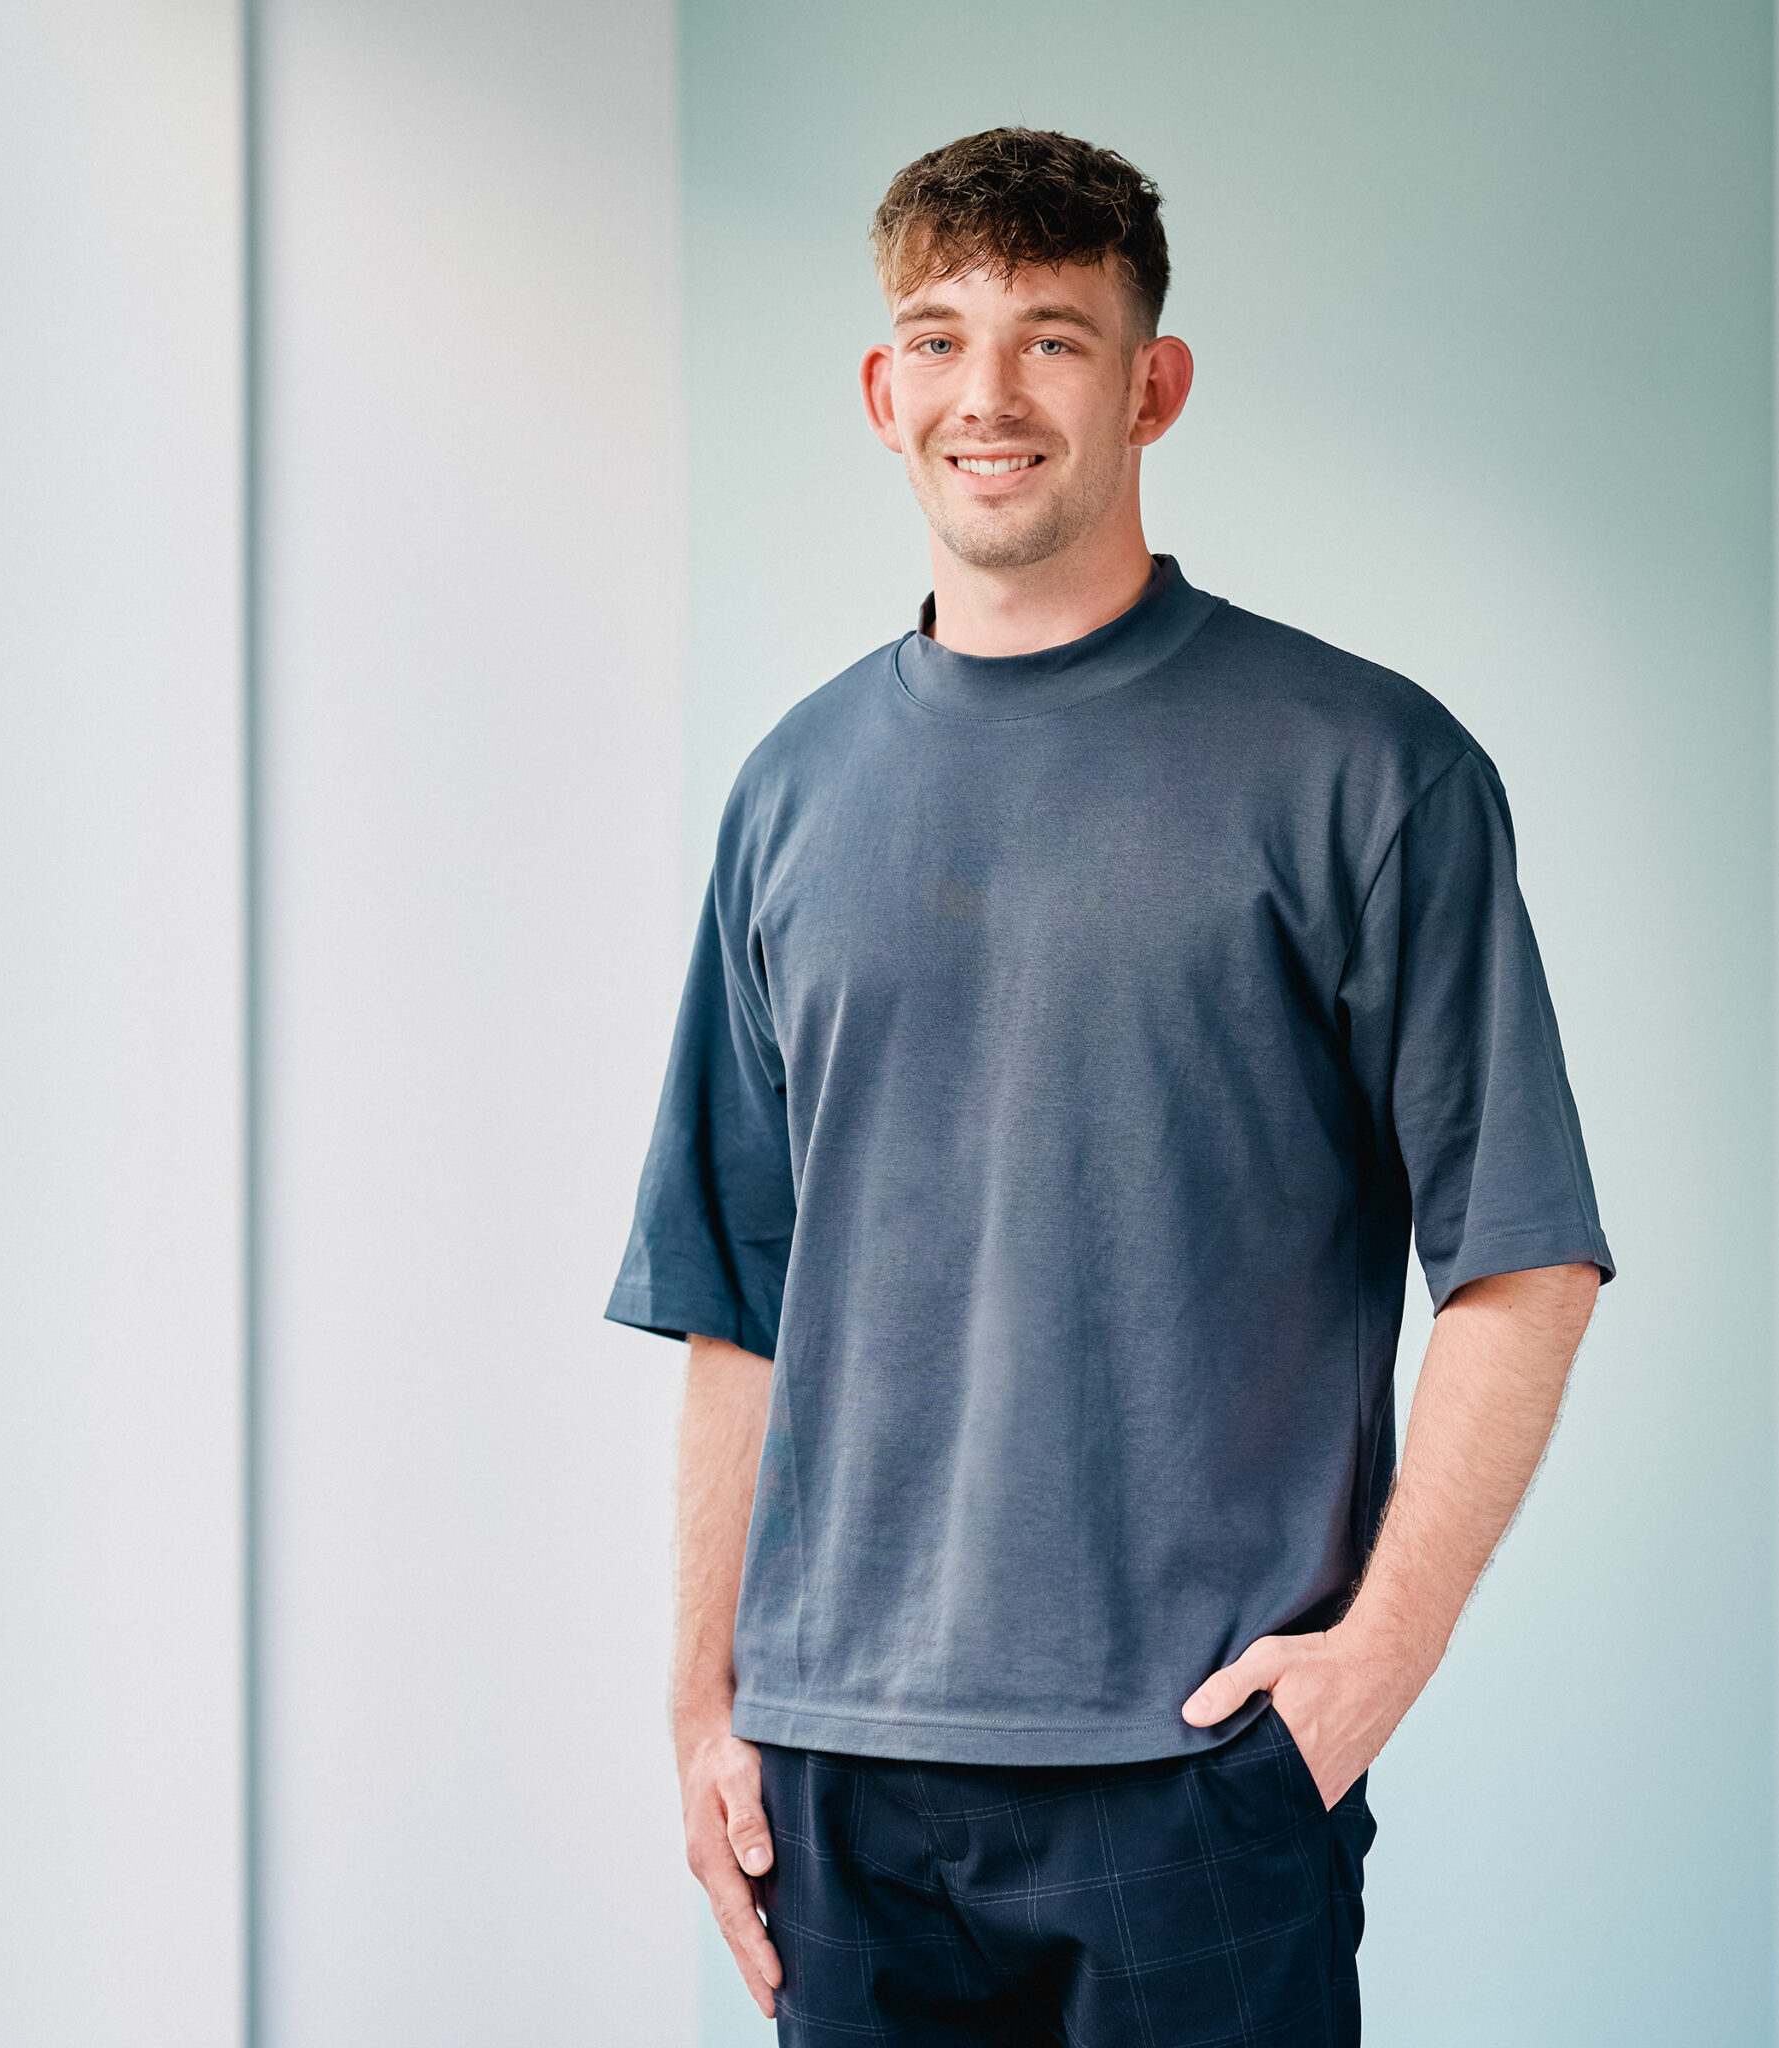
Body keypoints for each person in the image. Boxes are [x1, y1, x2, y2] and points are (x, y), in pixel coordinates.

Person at [610, 126, 1612, 2047]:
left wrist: (1370, 1667)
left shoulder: (1369, 771)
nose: (988, 393)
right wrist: (700, 1701)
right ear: (881, 389)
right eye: (943, 335)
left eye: (1053, 338)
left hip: (1196, 1767)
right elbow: (737, 1295)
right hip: (838, 1778)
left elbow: (1522, 1261)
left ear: (1150, 384)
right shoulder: (792, 792)